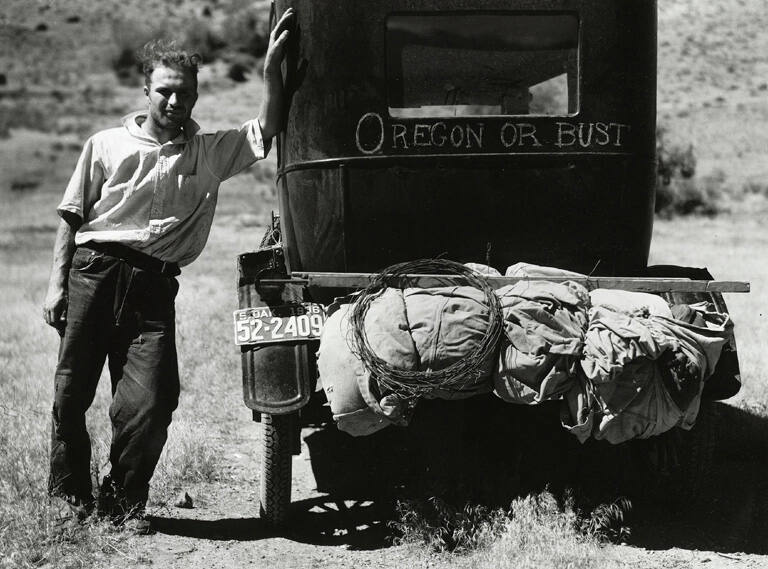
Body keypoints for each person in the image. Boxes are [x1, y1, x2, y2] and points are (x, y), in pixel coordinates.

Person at [41, 8, 295, 533]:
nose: (176, 101)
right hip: (95, 273)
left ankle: (122, 500)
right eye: (165, 91)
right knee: (71, 394)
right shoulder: (105, 145)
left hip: (154, 288)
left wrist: (272, 70)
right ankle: (69, 501)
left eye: (186, 92)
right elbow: (71, 216)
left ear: (196, 94)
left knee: (152, 402)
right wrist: (56, 285)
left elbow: (266, 127)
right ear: (146, 91)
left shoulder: (208, 152)